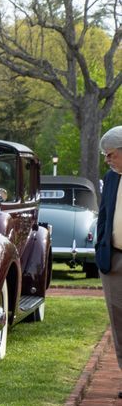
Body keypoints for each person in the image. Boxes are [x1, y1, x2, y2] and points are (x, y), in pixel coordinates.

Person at [95, 125, 122, 384]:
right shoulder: (111, 178)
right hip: (113, 259)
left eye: (110, 154)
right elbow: (103, 216)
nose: (107, 159)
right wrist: (100, 247)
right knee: (118, 321)